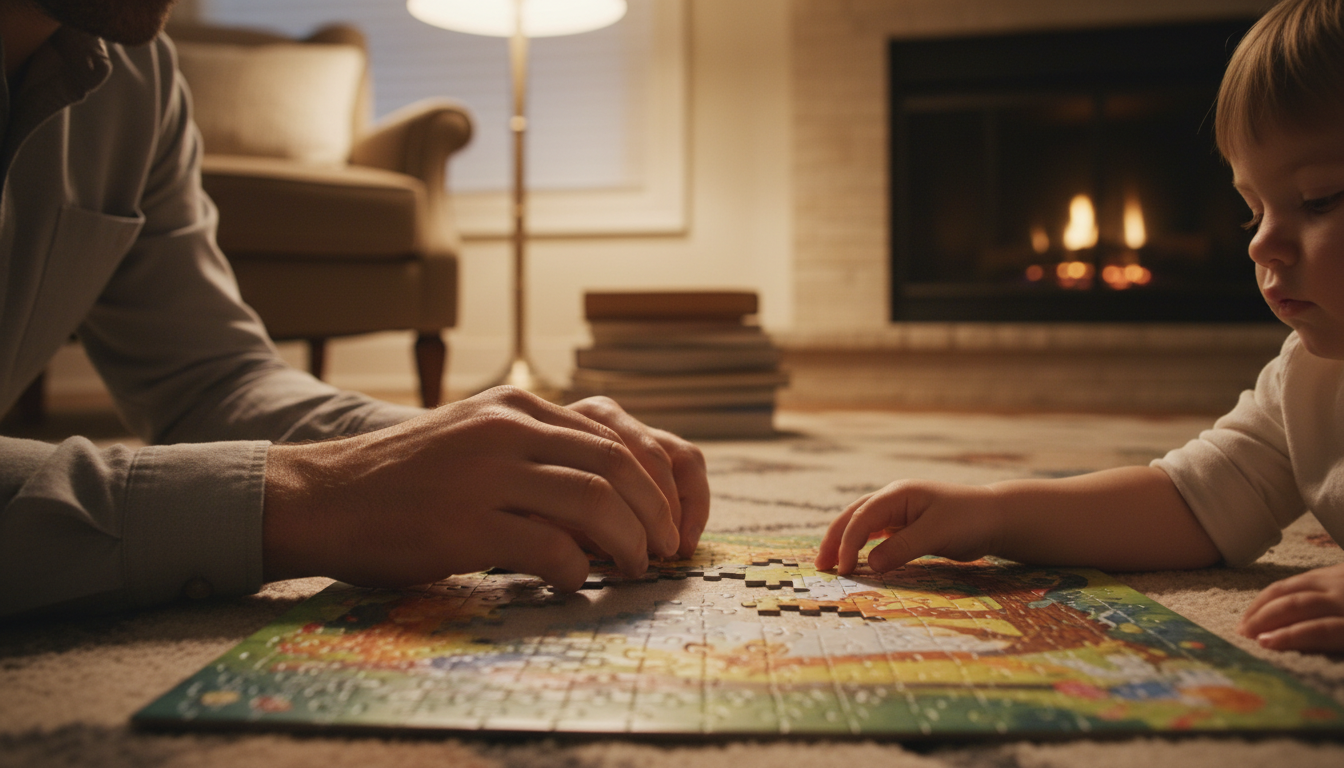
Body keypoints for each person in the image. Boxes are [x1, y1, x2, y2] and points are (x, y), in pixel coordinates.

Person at [0, 0, 709, 618]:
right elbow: (310, 480)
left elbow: (215, 379)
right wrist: (309, 498)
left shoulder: (137, 72)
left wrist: (464, 450)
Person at [816, 0, 1344, 655]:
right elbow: (1191, 505)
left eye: (1320, 198)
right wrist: (993, 512)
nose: (1263, 245)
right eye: (1251, 210)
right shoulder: (1310, 380)